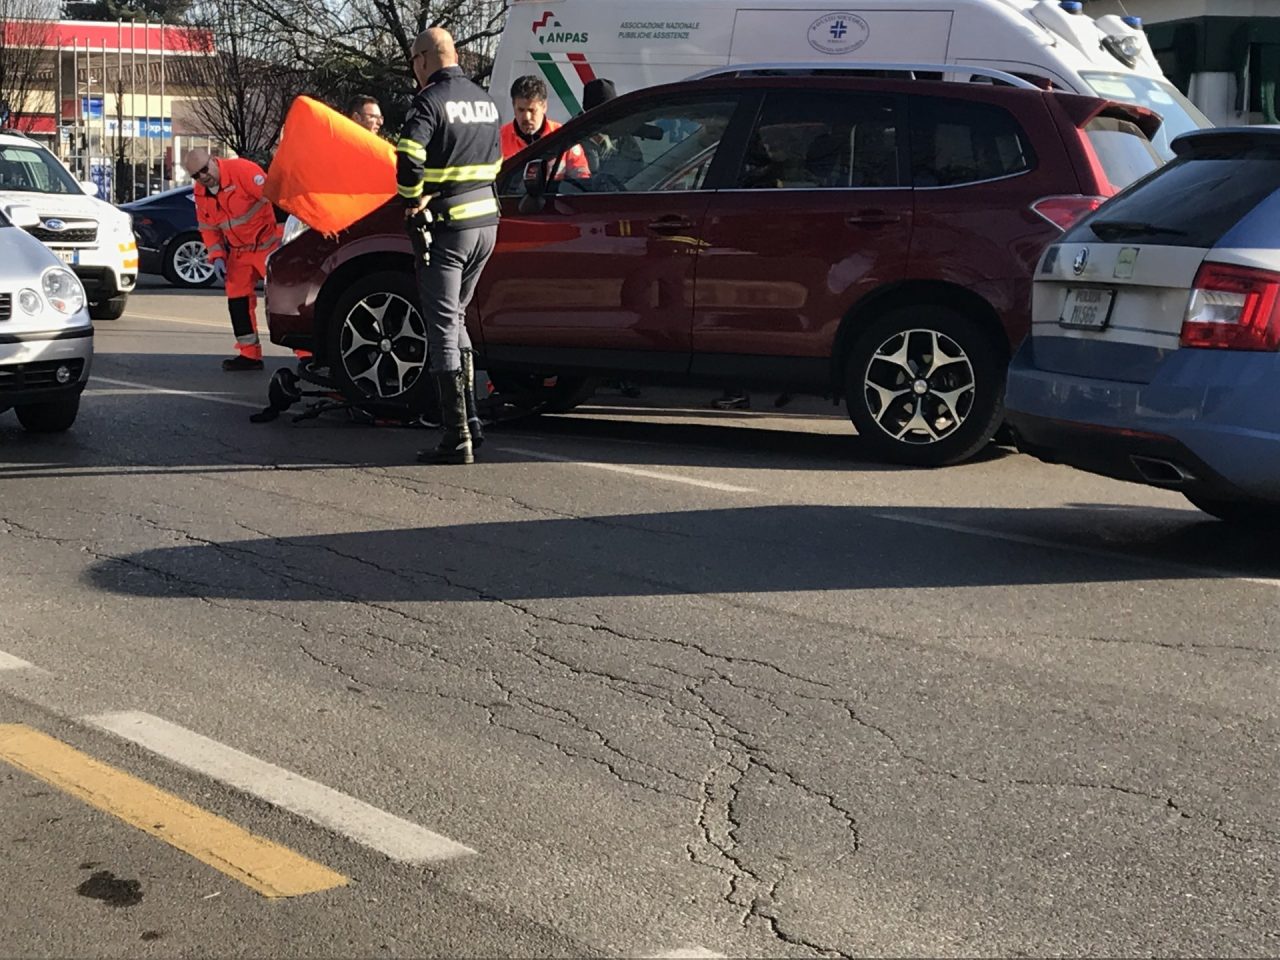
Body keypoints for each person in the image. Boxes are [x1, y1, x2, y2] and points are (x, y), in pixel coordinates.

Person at [396, 27, 502, 465]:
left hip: (448, 228)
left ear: (423, 60)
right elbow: (496, 161)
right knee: (457, 317)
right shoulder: (484, 100)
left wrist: (412, 198)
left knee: (441, 325)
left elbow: (408, 154)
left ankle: (455, 435)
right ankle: (472, 421)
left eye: (414, 63)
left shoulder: (429, 101)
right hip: (486, 224)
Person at [183, 148, 281, 371]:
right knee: (237, 301)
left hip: (268, 246)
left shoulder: (242, 171)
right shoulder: (201, 192)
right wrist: (217, 256)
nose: (203, 177)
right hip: (239, 252)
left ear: (213, 160)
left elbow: (276, 200)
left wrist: (284, 239)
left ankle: (306, 355)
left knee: (283, 299)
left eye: (204, 169)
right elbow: (208, 228)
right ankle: (249, 354)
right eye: (196, 175)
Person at [499, 75, 590, 178]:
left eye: (532, 110)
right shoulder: (499, 139)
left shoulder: (563, 136)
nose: (526, 117)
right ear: (513, 106)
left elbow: (583, 178)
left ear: (544, 107)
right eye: (521, 110)